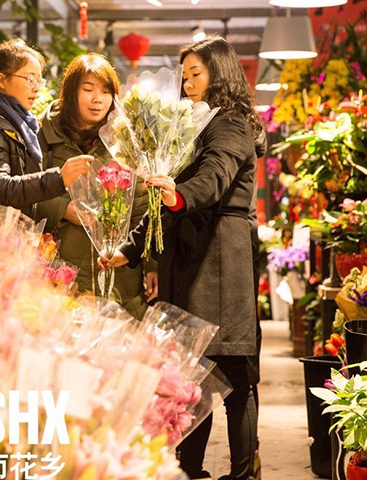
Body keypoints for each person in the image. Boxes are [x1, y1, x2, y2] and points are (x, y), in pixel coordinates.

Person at [101, 35, 262, 480]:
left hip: (219, 260)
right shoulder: (191, 123)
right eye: (185, 75)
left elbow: (214, 176)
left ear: (220, 73)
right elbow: (165, 200)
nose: (188, 84)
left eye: (197, 74)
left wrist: (179, 194)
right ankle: (190, 470)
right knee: (190, 374)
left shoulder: (230, 124)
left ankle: (242, 473)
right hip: (191, 257)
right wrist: (130, 248)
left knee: (233, 375)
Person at [36, 53, 158, 317]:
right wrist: (63, 209)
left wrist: (151, 264)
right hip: (61, 273)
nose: (97, 99)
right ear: (71, 92)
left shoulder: (125, 139)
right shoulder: (44, 135)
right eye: (88, 89)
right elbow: (26, 194)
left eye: (105, 91)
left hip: (120, 275)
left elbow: (142, 206)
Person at [0, 39, 93, 219]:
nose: (36, 88)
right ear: (2, 80)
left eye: (39, 81)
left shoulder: (15, 125)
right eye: (30, 79)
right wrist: (59, 178)